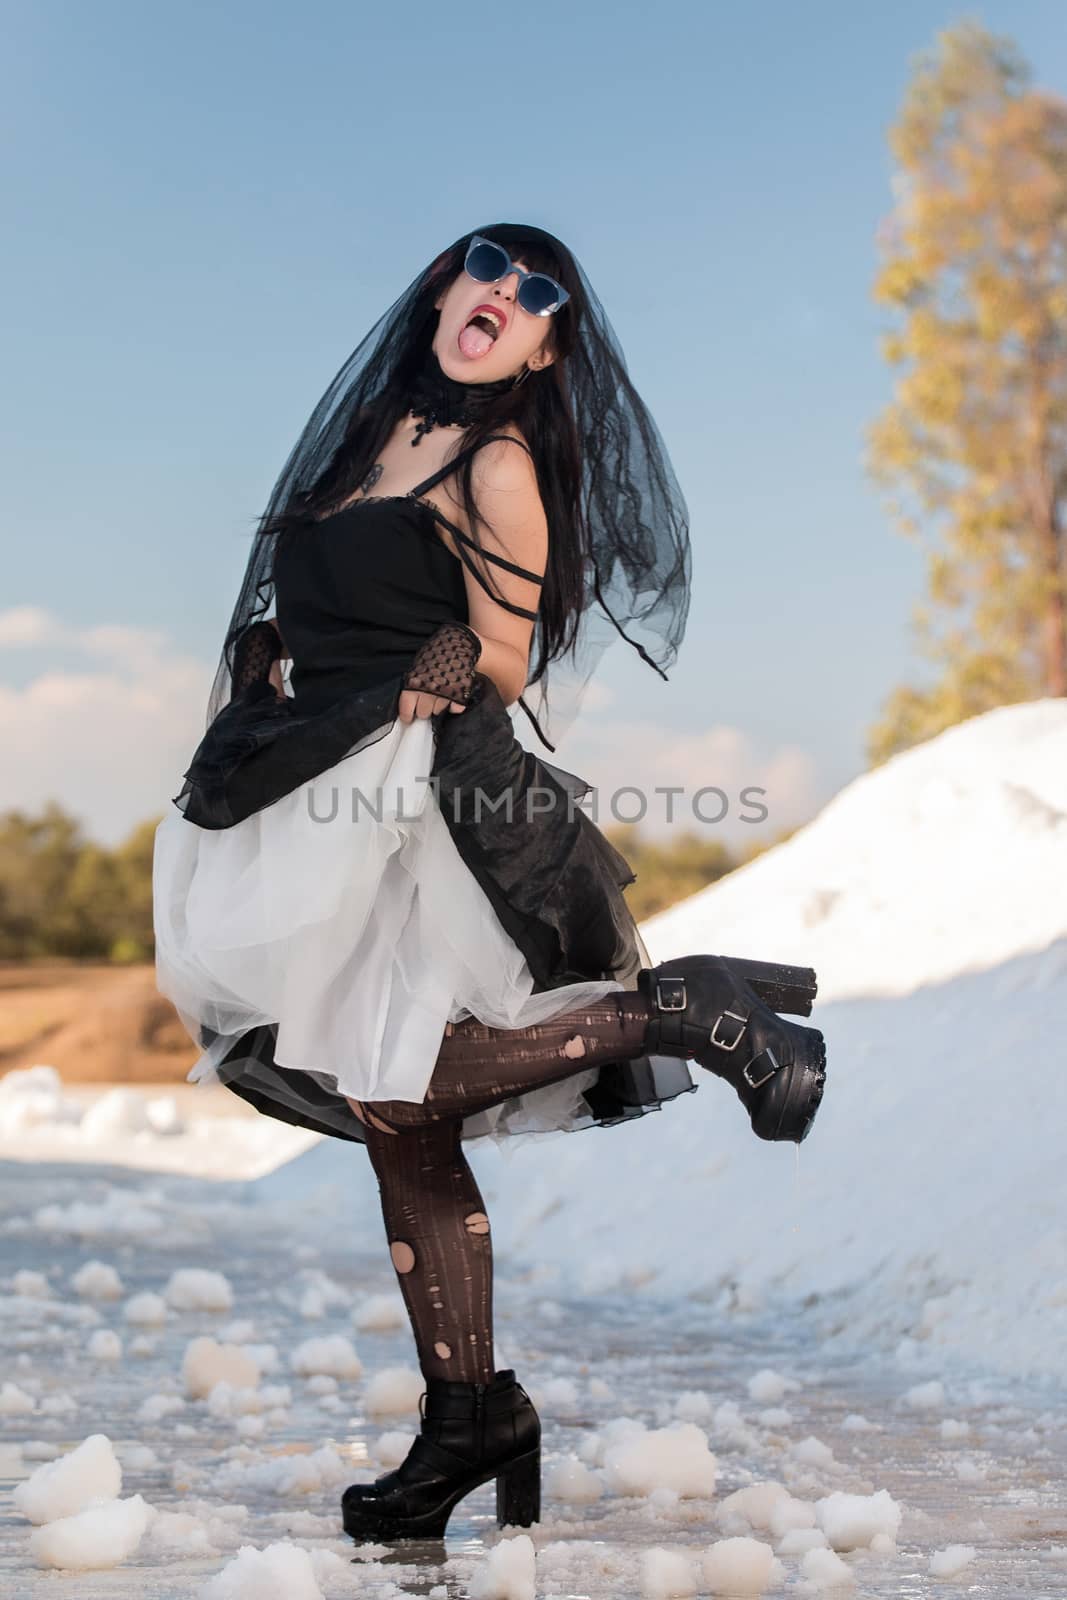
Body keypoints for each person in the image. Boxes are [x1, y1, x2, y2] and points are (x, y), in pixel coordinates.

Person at [152, 223, 827, 1544]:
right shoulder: (367, 436)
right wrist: (269, 661)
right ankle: (472, 1419)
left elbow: (511, 656)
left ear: (546, 341)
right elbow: (315, 594)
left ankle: (693, 1016)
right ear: (449, 290)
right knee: (403, 1126)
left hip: (430, 793)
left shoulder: (500, 460)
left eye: (535, 296)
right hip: (320, 777)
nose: (503, 299)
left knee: (401, 1077)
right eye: (489, 272)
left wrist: (441, 663)